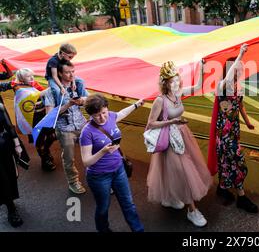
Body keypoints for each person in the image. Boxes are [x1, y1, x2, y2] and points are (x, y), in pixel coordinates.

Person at [146, 60, 212, 227]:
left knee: (174, 171)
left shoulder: (178, 94)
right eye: (172, 81)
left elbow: (197, 87)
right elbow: (151, 124)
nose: (176, 82)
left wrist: (202, 69)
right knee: (183, 172)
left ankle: (172, 197)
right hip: (169, 140)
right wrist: (171, 121)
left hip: (182, 135)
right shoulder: (160, 101)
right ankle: (192, 211)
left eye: (177, 79)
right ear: (165, 83)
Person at [80, 94, 145, 232]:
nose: (102, 118)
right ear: (90, 115)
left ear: (107, 109)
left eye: (104, 112)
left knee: (129, 204)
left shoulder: (110, 116)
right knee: (103, 207)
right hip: (99, 176)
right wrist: (103, 151)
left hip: (118, 169)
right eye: (97, 115)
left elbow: (120, 114)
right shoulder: (86, 133)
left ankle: (138, 230)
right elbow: (86, 162)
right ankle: (103, 230)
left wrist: (136, 105)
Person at [208, 44, 258, 213]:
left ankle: (223, 187)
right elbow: (228, 80)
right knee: (237, 162)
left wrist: (247, 121)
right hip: (224, 134)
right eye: (237, 69)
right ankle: (241, 196)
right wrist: (240, 55)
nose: (240, 72)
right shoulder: (221, 86)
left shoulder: (238, 87)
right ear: (230, 70)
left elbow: (240, 105)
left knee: (227, 162)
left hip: (234, 132)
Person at [44, 59, 89, 194]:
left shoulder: (77, 85)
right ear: (59, 73)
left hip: (82, 124)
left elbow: (89, 99)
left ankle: (99, 177)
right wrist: (68, 105)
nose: (71, 75)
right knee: (69, 157)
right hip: (65, 129)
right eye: (68, 72)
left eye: (73, 72)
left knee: (96, 148)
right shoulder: (51, 92)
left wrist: (82, 100)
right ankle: (73, 182)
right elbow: (49, 115)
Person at [12, 68, 57, 171]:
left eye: (32, 75)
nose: (32, 78)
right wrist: (51, 88)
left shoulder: (32, 83)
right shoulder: (19, 88)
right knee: (39, 140)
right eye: (29, 76)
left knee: (53, 135)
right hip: (33, 118)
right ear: (22, 78)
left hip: (42, 115)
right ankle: (45, 161)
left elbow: (41, 91)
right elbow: (37, 95)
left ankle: (45, 151)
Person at [0, 102, 24, 227]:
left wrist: (17, 145)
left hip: (3, 146)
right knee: (2, 180)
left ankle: (11, 205)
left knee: (9, 177)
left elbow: (9, 126)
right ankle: (11, 209)